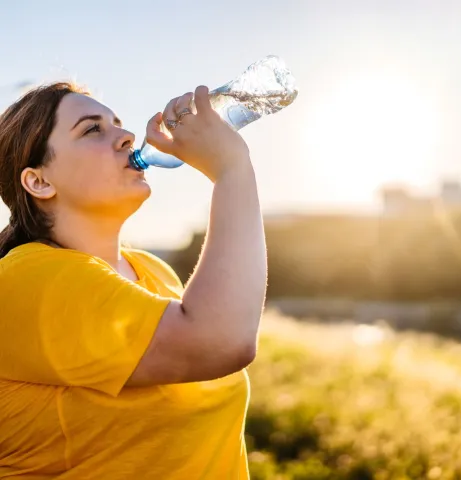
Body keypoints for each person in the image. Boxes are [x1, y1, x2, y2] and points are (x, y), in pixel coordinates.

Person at [0, 82, 267, 479]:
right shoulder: (27, 279)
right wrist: (231, 169)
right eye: (93, 129)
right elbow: (222, 341)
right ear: (39, 182)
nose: (126, 137)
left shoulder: (151, 271)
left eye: (119, 124)